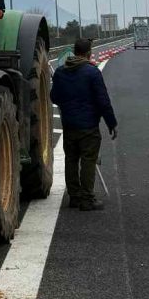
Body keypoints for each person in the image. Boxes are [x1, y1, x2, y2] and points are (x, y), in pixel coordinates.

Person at [50, 37, 118, 211]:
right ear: (89, 53)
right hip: (88, 126)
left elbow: (54, 97)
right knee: (88, 160)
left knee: (71, 160)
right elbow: (103, 101)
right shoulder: (92, 72)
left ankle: (74, 197)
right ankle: (87, 199)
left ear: (74, 51)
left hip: (69, 125)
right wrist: (112, 123)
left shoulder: (60, 72)